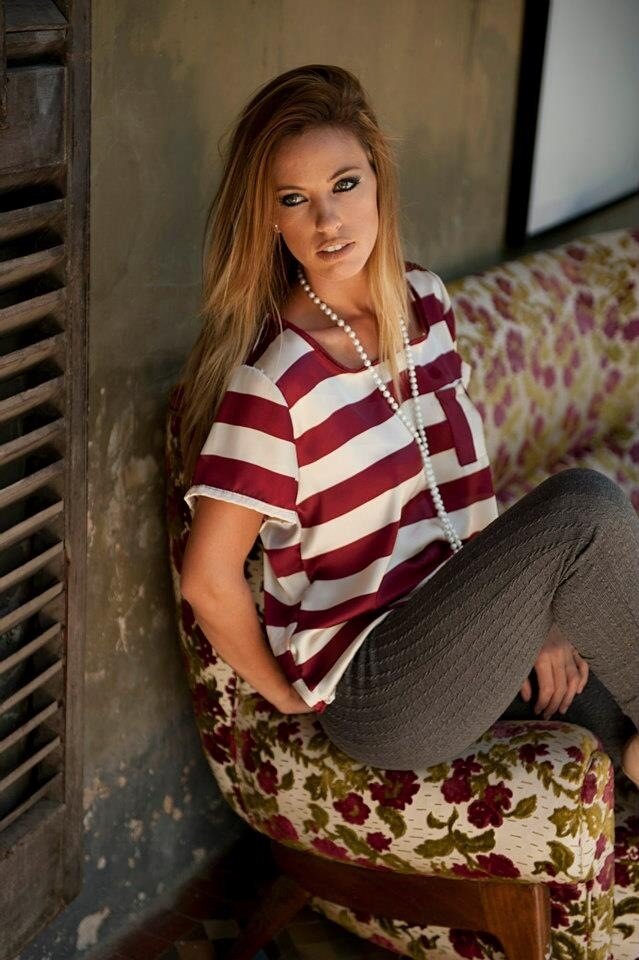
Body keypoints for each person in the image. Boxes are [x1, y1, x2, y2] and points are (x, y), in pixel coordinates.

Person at [178, 63, 639, 785]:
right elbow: (206, 580)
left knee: (616, 720)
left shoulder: (424, 302)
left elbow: (457, 495)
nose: (327, 222)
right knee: (587, 506)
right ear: (269, 218)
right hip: (381, 688)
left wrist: (535, 618)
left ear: (377, 178)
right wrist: (287, 696)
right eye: (295, 200)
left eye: (344, 184)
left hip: (461, 634)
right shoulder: (275, 383)